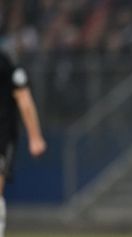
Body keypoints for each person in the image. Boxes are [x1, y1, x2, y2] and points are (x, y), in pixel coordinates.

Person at [0, 50, 46, 236]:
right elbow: (24, 98)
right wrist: (35, 138)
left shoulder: (5, 64)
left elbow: (23, 97)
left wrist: (35, 136)